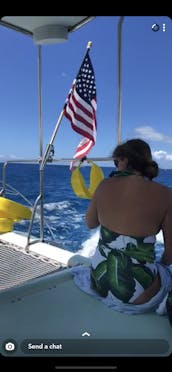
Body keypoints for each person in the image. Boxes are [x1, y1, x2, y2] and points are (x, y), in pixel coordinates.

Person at [71, 138, 172, 315]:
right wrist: (160, 268)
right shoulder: (166, 195)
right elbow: (170, 253)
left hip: (99, 280)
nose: (116, 166)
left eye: (116, 162)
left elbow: (90, 223)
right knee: (164, 273)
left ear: (125, 160)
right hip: (139, 294)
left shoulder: (104, 185)